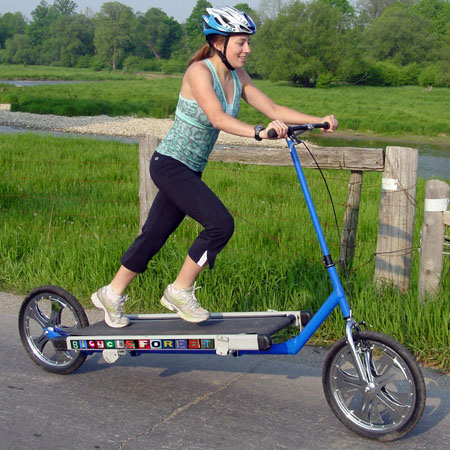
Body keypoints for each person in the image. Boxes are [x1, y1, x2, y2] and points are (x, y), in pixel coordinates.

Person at [91, 6, 338, 328]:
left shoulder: (237, 76)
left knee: (153, 236)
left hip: (189, 170)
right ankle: (179, 290)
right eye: (240, 42)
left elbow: (273, 107)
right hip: (169, 164)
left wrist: (317, 120)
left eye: (248, 42)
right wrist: (258, 133)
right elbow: (217, 118)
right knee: (221, 225)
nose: (247, 49)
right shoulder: (199, 72)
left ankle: (111, 294)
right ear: (219, 42)